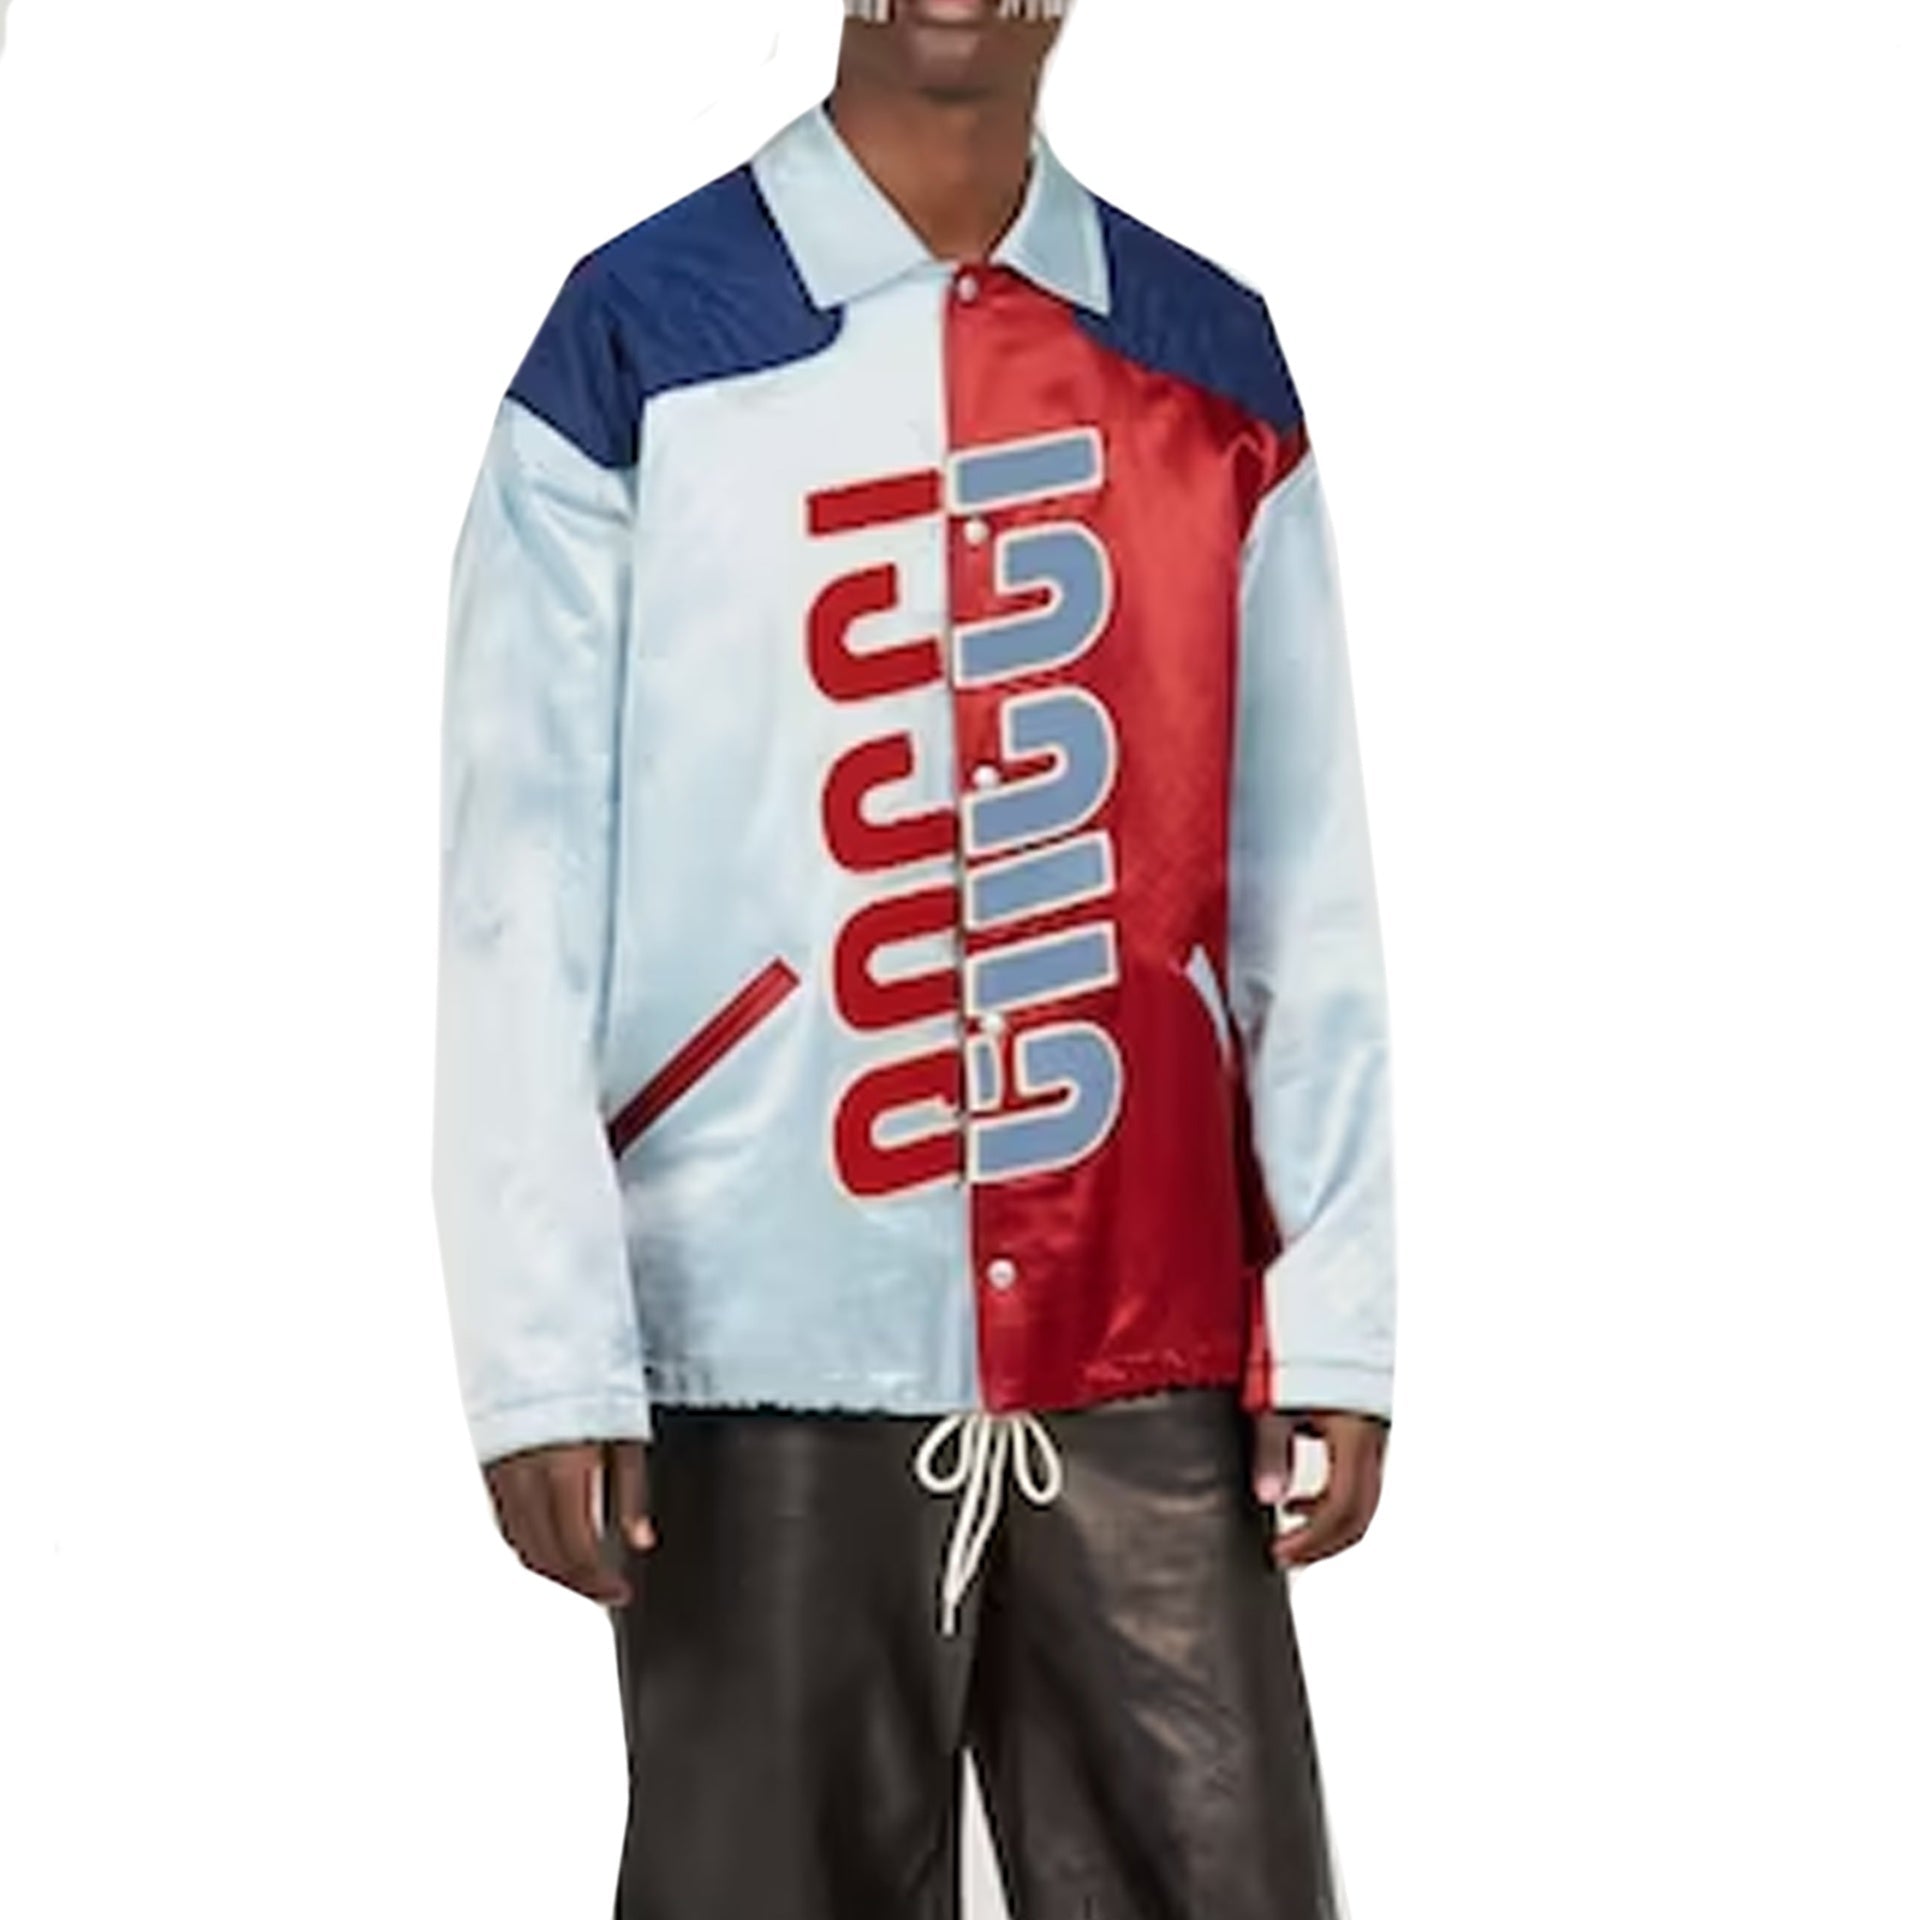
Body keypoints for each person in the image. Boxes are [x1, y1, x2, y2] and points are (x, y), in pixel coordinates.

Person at [430, 0, 1396, 1912]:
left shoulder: (1206, 359)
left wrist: (1340, 1302)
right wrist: (546, 1360)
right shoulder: (640, 336)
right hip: (757, 1337)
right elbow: (515, 881)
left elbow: (1303, 875)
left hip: (1146, 1328)